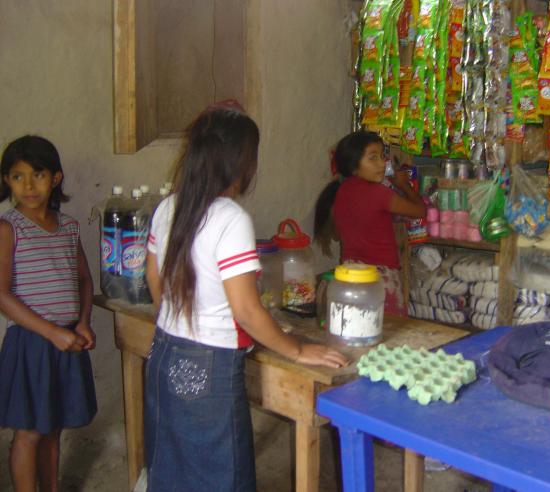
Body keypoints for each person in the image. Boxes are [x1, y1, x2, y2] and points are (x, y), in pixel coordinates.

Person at [144, 100, 349, 491]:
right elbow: (246, 310)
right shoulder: (231, 218)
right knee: (224, 474)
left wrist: (178, 321)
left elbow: (153, 277)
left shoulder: (169, 207)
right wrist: (296, 349)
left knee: (173, 466)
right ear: (241, 162)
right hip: (211, 363)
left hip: (165, 352)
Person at [0, 135, 97, 492]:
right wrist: (50, 332)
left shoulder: (69, 228)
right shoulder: (8, 228)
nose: (28, 185)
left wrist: (83, 321)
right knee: (28, 432)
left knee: (52, 428)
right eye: (17, 176)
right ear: (6, 181)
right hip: (31, 344)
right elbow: (1, 294)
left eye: (37, 175)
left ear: (55, 178)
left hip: (68, 340)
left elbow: (84, 280)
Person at [314, 130, 427, 316]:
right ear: (353, 165)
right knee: (388, 335)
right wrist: (403, 185)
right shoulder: (378, 194)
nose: (382, 163)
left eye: (382, 156)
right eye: (372, 158)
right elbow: (420, 211)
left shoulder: (343, 190)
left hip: (349, 276)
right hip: (379, 280)